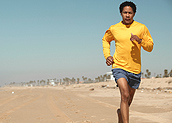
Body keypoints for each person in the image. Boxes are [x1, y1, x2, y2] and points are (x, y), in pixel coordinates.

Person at [102, 1, 154, 123]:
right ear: (121, 13)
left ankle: (121, 114)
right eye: (125, 12)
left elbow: (150, 47)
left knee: (127, 101)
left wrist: (139, 40)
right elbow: (105, 40)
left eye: (130, 13)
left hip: (135, 69)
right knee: (124, 95)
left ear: (134, 14)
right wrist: (107, 56)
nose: (127, 15)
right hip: (119, 66)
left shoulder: (141, 28)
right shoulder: (114, 28)